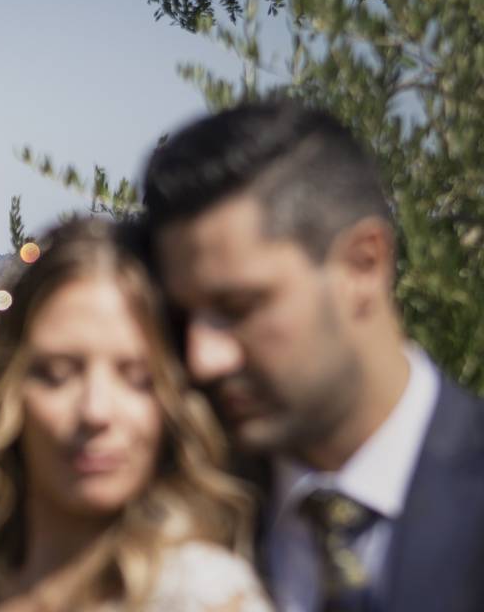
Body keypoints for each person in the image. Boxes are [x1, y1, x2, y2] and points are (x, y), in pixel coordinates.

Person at [141, 100, 484, 612]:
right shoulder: (171, 528)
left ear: (363, 265)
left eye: (237, 307)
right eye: (185, 318)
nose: (203, 357)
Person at [0, 218, 271, 611]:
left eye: (138, 378)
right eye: (57, 374)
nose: (96, 412)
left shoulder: (209, 598)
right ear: (6, 388)